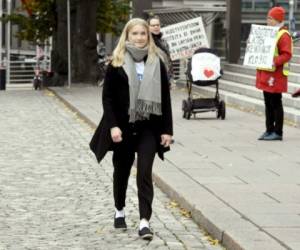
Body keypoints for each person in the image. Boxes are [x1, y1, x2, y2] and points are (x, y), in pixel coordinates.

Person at [89, 18, 173, 240]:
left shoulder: (157, 62)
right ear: (127, 36)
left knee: (144, 172)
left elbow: (165, 98)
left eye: (143, 34)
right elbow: (107, 99)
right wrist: (113, 127)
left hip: (149, 127)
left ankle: (145, 221)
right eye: (134, 34)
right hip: (124, 127)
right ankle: (119, 210)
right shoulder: (116, 63)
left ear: (148, 36)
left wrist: (167, 130)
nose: (139, 37)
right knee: (122, 171)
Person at [256, 6, 292, 141]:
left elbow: (287, 54)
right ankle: (269, 129)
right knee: (267, 103)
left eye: (270, 18)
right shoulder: (268, 32)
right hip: (266, 72)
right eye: (267, 17)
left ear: (277, 20)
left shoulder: (283, 35)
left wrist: (274, 62)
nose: (267, 20)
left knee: (276, 103)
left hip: (276, 74)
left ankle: (278, 132)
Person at [148, 15, 174, 86]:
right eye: (153, 25)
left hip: (166, 77)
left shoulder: (164, 41)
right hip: (153, 79)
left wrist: (170, 77)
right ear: (148, 27)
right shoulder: (147, 42)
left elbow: (168, 60)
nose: (156, 27)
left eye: (157, 25)